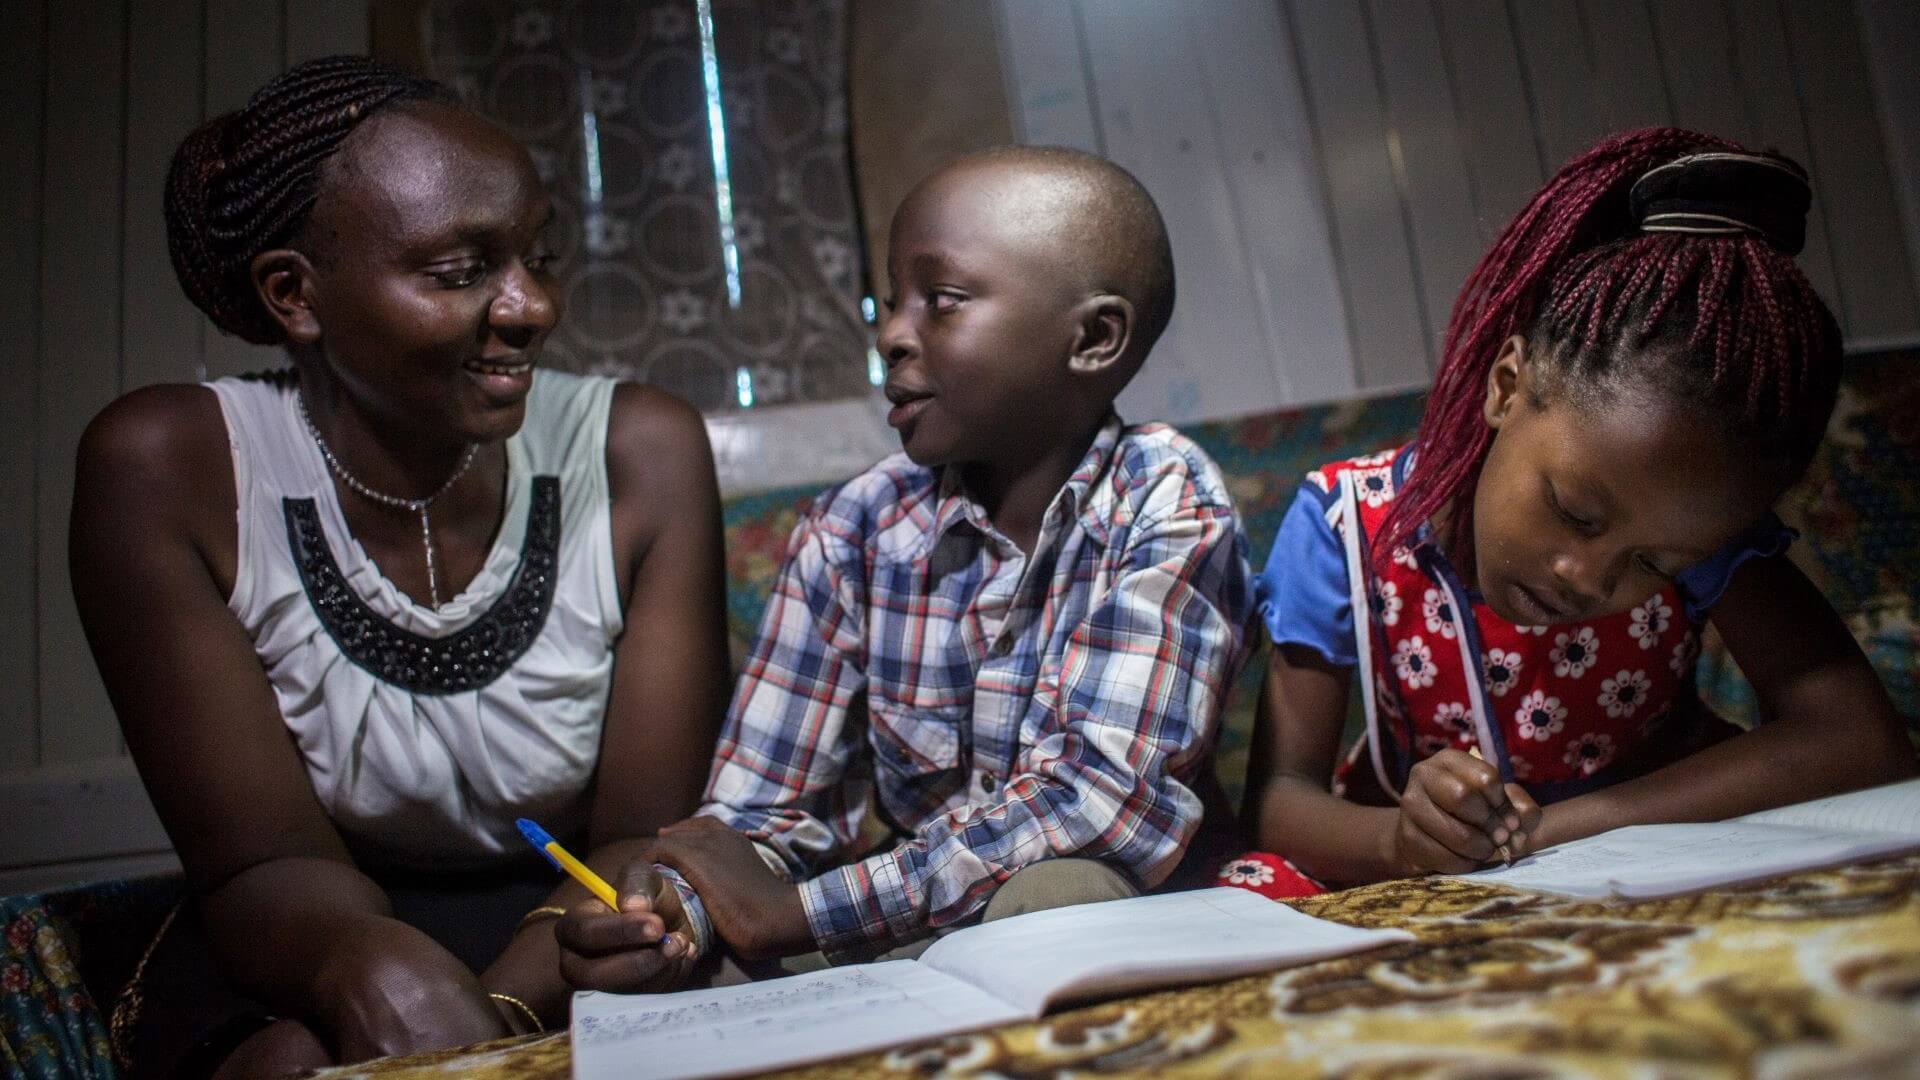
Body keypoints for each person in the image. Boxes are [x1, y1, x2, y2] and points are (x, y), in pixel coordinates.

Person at [69, 56, 731, 1076]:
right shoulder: (168, 471)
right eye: (462, 272)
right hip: (308, 922)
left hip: (572, 913)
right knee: (283, 1061)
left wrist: (507, 1007)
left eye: (537, 257)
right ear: (296, 295)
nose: (533, 307)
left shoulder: (639, 450)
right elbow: (261, 862)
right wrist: (367, 966)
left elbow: (644, 830)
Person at [554, 146, 1252, 987]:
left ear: (1094, 338)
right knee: (707, 972)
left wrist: (799, 913)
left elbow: (1100, 806)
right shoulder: (852, 531)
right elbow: (759, 817)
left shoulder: (1165, 500)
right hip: (909, 920)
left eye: (942, 301)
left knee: (1060, 897)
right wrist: (679, 907)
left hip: (1122, 908)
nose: (889, 335)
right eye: (887, 303)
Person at [1218, 128, 1917, 900]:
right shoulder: (1343, 524)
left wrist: (1553, 832)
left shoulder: (1693, 521)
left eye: (1656, 566)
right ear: (1506, 386)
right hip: (1413, 858)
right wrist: (1401, 839)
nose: (1587, 577)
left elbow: (1858, 740)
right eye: (1575, 512)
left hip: (1644, 849)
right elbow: (1280, 803)